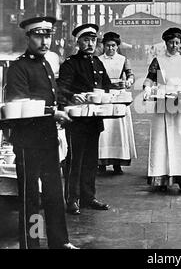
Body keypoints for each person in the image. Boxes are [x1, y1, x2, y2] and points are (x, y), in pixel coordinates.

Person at [5, 16, 77, 249]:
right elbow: (19, 103)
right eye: (39, 35)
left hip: (47, 138)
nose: (45, 41)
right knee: (30, 197)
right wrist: (53, 113)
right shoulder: (18, 67)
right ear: (28, 37)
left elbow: (49, 98)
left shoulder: (45, 64)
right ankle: (30, 244)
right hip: (27, 141)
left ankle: (59, 242)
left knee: (54, 193)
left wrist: (64, 104)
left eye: (48, 35)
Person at [57, 23, 112, 215]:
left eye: (93, 40)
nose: (90, 43)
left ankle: (89, 197)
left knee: (90, 160)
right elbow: (60, 88)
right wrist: (72, 96)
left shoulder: (97, 63)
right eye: (86, 40)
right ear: (78, 42)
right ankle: (72, 199)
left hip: (94, 119)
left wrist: (113, 93)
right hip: (77, 120)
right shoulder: (70, 64)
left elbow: (107, 86)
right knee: (75, 161)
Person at [143, 27, 181, 193]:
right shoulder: (158, 60)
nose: (174, 46)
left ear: (180, 43)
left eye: (177, 42)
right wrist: (147, 89)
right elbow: (150, 79)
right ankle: (160, 179)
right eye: (171, 42)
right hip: (163, 101)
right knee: (161, 140)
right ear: (166, 43)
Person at [98, 32, 137, 175]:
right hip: (103, 96)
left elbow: (130, 74)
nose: (110, 49)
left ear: (117, 46)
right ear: (103, 46)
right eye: (107, 46)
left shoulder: (123, 59)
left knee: (117, 131)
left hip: (118, 96)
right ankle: (101, 163)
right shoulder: (97, 60)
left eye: (113, 46)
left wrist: (129, 81)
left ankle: (117, 163)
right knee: (103, 132)